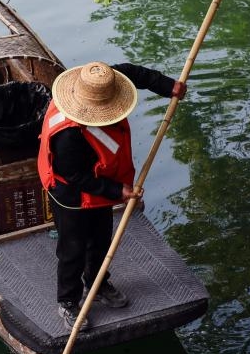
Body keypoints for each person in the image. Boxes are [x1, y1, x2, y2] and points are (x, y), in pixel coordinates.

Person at [37, 61, 186, 330]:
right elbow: (77, 176)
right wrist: (119, 191)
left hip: (100, 189)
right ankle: (68, 301)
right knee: (73, 249)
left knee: (101, 239)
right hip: (71, 195)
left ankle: (98, 284)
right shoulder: (68, 136)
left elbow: (136, 73)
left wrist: (168, 86)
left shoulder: (103, 80)